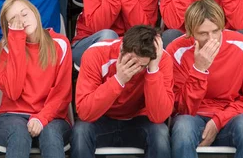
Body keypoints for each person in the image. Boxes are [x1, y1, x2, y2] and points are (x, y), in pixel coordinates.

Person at [167, 0, 243, 158]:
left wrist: (218, 121)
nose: (211, 39)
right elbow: (181, 108)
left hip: (231, 116)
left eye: (216, 31)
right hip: (192, 117)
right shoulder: (176, 50)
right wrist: (199, 69)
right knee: (182, 128)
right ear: (190, 31)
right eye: (203, 33)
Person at [71, 26, 172, 158]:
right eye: (132, 62)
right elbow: (84, 112)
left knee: (161, 133)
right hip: (102, 118)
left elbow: (159, 117)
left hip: (139, 119)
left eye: (141, 65)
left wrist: (152, 70)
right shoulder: (95, 54)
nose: (136, 69)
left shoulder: (161, 59)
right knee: (80, 132)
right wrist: (118, 80)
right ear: (121, 49)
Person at [0, 0, 73, 157]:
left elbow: (62, 94)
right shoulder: (6, 48)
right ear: (9, 27)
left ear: (35, 12)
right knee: (19, 133)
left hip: (52, 116)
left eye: (24, 13)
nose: (22, 21)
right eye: (14, 20)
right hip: (12, 116)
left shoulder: (60, 44)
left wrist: (41, 118)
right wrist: (16, 40)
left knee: (50, 134)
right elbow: (13, 92)